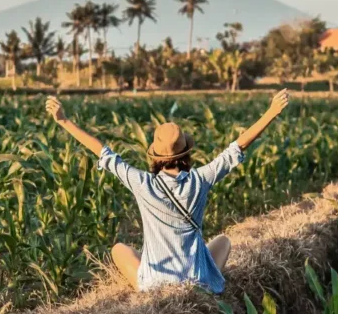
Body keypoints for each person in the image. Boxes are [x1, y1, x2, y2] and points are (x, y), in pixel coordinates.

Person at [45, 90, 290, 294]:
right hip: (197, 282)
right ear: (186, 154)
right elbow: (237, 147)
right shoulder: (201, 179)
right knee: (223, 241)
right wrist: (271, 112)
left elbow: (103, 152)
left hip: (155, 283)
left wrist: (63, 120)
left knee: (119, 249)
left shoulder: (141, 182)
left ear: (156, 156)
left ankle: (154, 277)